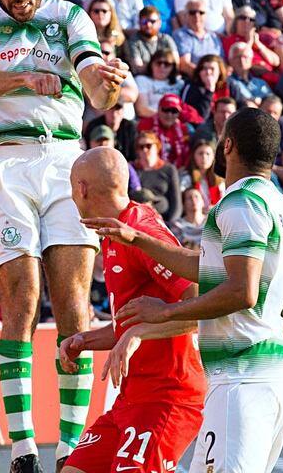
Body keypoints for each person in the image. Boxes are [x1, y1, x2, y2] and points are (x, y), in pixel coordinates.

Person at [0, 0, 129, 472]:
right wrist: (23, 78)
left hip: (64, 162)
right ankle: (23, 445)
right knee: (21, 299)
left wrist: (107, 82)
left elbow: (97, 89)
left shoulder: (70, 16)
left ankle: (71, 447)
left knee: (74, 305)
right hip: (6, 160)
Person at [82, 107, 283, 473]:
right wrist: (138, 239)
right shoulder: (273, 201)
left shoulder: (240, 202)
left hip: (242, 373)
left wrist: (163, 312)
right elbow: (209, 269)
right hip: (264, 370)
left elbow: (241, 291)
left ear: (227, 145)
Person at [58, 146, 204, 473]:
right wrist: (85, 340)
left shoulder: (141, 232)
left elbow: (201, 308)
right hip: (129, 398)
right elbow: (132, 321)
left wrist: (139, 333)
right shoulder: (114, 232)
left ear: (81, 188)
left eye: (71, 187)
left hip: (166, 398)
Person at [173, 0, 223, 77]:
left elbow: (222, 62)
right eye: (192, 12)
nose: (197, 16)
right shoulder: (180, 35)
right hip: (195, 80)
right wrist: (206, 76)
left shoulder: (214, 37)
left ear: (206, 15)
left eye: (201, 12)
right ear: (186, 15)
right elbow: (184, 65)